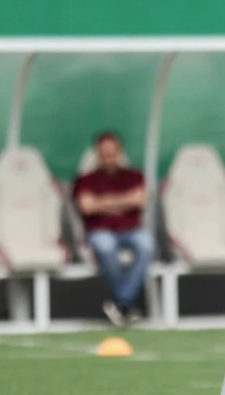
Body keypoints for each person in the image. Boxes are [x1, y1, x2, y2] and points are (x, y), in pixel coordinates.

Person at [72, 131, 154, 326]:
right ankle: (126, 304)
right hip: (100, 231)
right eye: (104, 154)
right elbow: (87, 206)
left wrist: (104, 202)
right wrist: (124, 201)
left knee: (147, 244)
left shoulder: (134, 176)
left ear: (120, 152)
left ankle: (121, 303)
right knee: (106, 246)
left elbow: (140, 199)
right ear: (97, 155)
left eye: (112, 153)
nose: (109, 158)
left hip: (131, 230)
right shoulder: (86, 179)